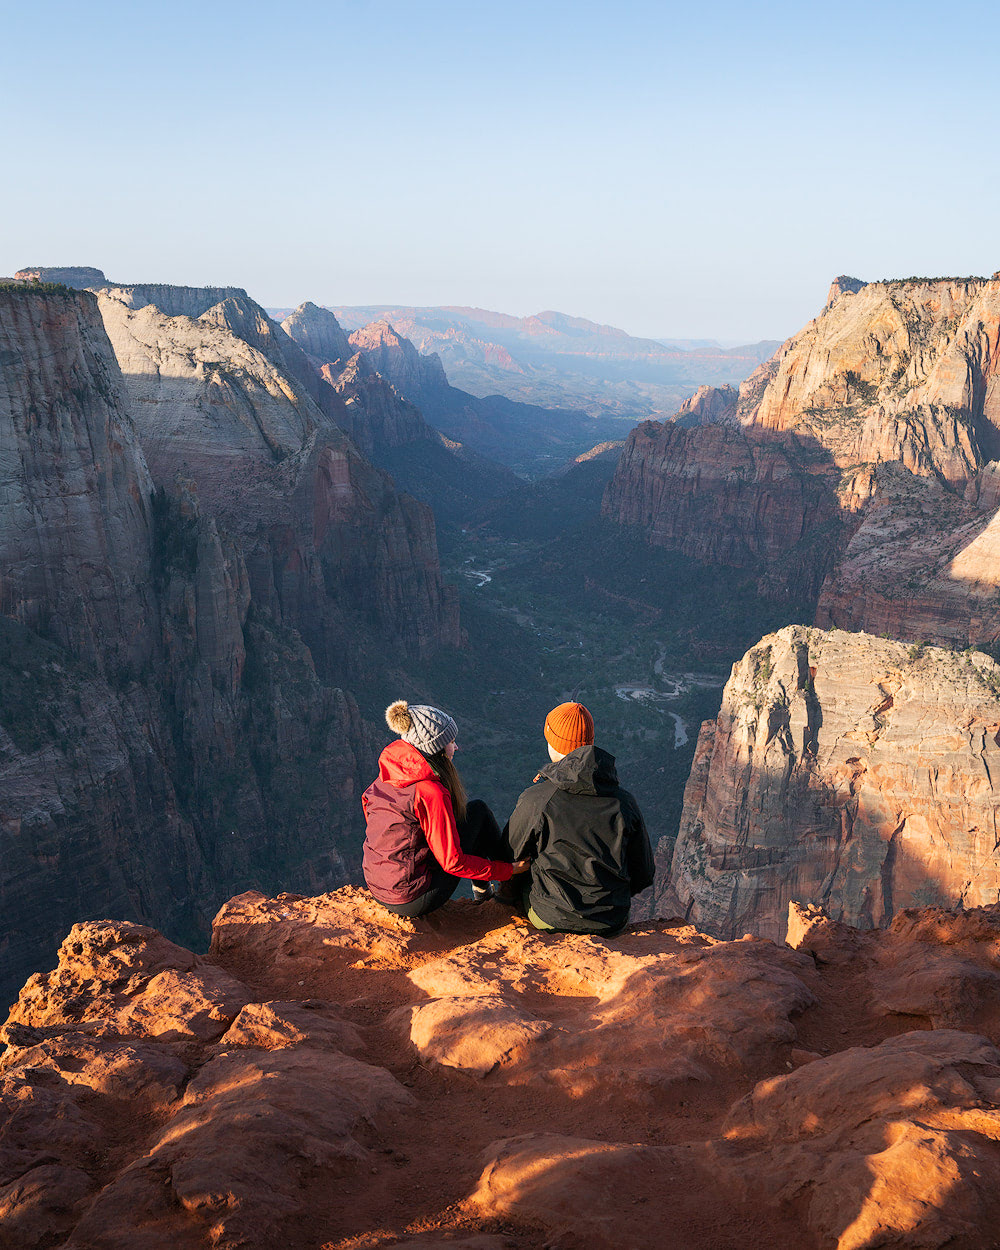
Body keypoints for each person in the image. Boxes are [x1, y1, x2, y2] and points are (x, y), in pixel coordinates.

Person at [362, 699, 529, 917]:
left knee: (473, 815)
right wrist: (508, 870)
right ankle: (514, 880)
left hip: (378, 884)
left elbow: (368, 805)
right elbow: (452, 863)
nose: (456, 747)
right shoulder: (429, 792)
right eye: (451, 742)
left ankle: (484, 889)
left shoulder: (391, 772)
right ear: (437, 749)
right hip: (412, 898)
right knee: (478, 812)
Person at [502, 701, 654, 936]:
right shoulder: (624, 802)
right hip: (610, 921)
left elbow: (508, 854)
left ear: (552, 742)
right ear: (591, 743)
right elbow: (643, 873)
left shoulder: (538, 799)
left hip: (551, 917)